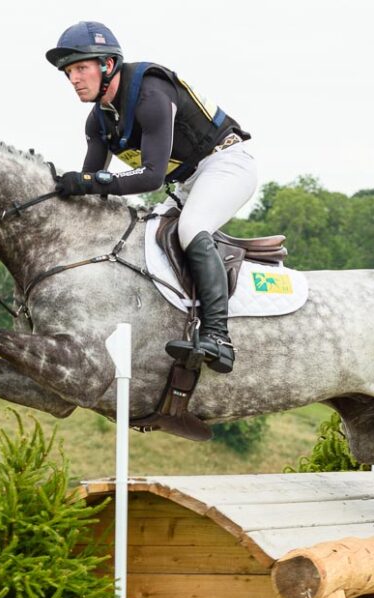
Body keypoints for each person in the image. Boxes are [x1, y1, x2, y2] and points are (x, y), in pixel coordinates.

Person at [45, 21, 255, 373]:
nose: (74, 79)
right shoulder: (98, 122)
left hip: (226, 164)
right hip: (188, 184)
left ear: (108, 65)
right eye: (69, 72)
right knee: (145, 239)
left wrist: (88, 182)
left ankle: (219, 338)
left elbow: (151, 177)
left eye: (81, 68)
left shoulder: (150, 95)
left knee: (191, 228)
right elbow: (91, 190)